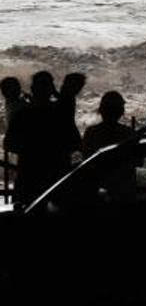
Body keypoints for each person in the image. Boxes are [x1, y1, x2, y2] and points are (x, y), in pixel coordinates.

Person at [4, 71, 81, 207]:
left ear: (33, 89)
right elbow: (75, 143)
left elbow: (9, 144)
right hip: (58, 179)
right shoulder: (61, 115)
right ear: (51, 90)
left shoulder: (23, 115)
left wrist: (30, 150)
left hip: (29, 179)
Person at [81, 91, 138, 158]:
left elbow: (85, 157)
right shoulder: (128, 133)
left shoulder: (91, 133)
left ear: (101, 110)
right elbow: (137, 161)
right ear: (121, 112)